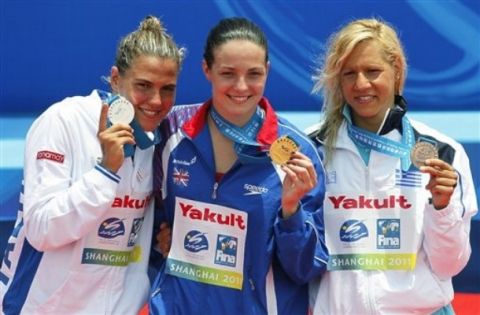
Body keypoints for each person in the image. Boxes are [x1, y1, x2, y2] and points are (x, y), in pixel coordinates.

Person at [0, 15, 184, 314]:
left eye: (168, 89)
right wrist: (105, 172)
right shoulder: (64, 121)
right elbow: (43, 230)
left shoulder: (160, 140)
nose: (156, 100)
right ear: (115, 78)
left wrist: (164, 242)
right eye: (144, 85)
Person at [148, 17, 328, 314]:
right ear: (207, 69)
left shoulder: (297, 153)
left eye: (254, 74)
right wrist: (160, 239)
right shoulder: (171, 132)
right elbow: (142, 215)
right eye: (228, 73)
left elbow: (306, 269)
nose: (241, 87)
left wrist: (291, 212)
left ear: (267, 71)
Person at [307, 18, 478, 315]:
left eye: (372, 71)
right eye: (349, 73)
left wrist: (442, 208)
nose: (361, 84)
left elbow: (450, 264)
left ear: (396, 70)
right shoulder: (311, 149)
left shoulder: (442, 152)